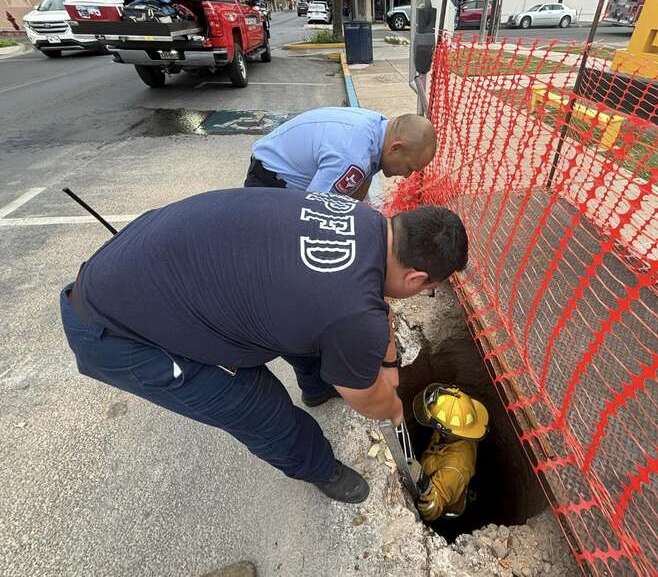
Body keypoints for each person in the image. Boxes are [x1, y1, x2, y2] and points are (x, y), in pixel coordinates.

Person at [60, 188, 467, 504]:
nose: (421, 295)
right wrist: (393, 407)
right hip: (118, 331)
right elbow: (370, 400)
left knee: (305, 322)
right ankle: (319, 468)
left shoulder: (362, 219)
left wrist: (389, 357)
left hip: (137, 263)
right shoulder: (352, 313)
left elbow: (369, 312)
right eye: (428, 290)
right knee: (257, 405)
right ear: (416, 278)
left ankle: (318, 386)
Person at [244, 107, 437, 200]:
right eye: (409, 167)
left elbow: (361, 186)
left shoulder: (379, 129)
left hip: (279, 173)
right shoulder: (353, 158)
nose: (407, 175)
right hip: (269, 185)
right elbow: (314, 210)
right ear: (396, 148)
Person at [411, 384, 489, 521]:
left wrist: (423, 482)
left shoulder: (454, 469)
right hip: (439, 466)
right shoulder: (460, 429)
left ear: (445, 430)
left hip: (446, 501)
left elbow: (431, 510)